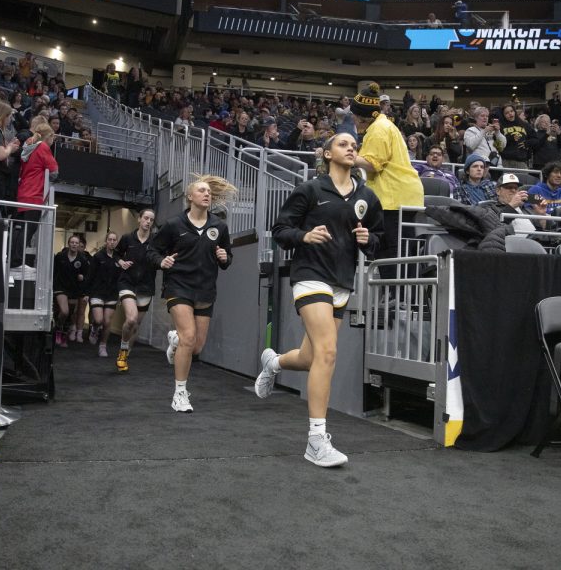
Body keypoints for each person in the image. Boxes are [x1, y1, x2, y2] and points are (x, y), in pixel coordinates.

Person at [254, 133, 384, 467]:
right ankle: (316, 440)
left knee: (313, 357)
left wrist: (369, 239)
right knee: (328, 351)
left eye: (354, 144)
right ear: (326, 154)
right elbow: (281, 230)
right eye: (343, 144)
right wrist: (304, 236)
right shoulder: (310, 190)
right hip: (310, 274)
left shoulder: (366, 196)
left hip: (342, 281)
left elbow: (378, 238)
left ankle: (275, 362)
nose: (351, 147)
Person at [148, 175, 236, 413]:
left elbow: (227, 257)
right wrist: (161, 261)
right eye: (201, 190)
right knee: (189, 337)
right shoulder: (174, 225)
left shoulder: (219, 227)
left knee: (196, 347)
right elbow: (153, 250)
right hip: (178, 286)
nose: (206, 194)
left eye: (209, 191)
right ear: (190, 197)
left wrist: (225, 258)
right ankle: (180, 393)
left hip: (205, 289)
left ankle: (175, 341)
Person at [351, 82, 423, 295]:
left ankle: (396, 298)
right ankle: (400, 298)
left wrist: (346, 156)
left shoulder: (378, 129)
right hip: (403, 195)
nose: (352, 119)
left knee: (390, 250)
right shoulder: (383, 125)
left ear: (363, 116)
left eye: (354, 115)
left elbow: (373, 163)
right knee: (400, 251)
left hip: (394, 197)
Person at [11, 124, 59, 274]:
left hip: (23, 192)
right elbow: (54, 171)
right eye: (52, 136)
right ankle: (16, 261)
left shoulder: (29, 146)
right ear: (48, 136)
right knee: (28, 229)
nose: (53, 139)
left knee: (19, 229)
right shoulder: (43, 147)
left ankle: (13, 259)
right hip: (34, 194)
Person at [114, 208, 157, 372]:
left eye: (151, 220)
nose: (148, 222)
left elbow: (160, 258)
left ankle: (126, 354)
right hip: (127, 283)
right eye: (146, 218)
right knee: (131, 319)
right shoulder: (127, 238)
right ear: (139, 219)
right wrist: (121, 263)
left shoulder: (155, 241)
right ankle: (123, 349)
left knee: (136, 325)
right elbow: (117, 254)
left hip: (146, 286)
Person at [87, 231, 122, 357]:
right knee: (99, 319)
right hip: (97, 292)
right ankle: (95, 328)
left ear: (116, 242)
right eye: (110, 240)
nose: (112, 242)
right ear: (106, 241)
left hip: (112, 294)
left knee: (107, 322)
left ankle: (103, 346)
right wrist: (87, 293)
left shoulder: (119, 258)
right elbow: (90, 276)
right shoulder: (98, 256)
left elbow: (121, 277)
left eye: (114, 240)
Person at [53, 235, 90, 347]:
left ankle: (64, 336)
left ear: (79, 245)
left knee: (69, 316)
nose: (74, 244)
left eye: (76, 243)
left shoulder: (82, 260)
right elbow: (54, 271)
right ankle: (58, 329)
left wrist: (83, 278)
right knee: (64, 311)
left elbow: (87, 276)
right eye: (72, 242)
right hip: (61, 287)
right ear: (69, 244)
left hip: (74, 290)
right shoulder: (60, 256)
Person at [498, 104, 531, 169]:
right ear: (503, 115)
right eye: (507, 113)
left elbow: (535, 139)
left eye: (511, 111)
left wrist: (527, 143)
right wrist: (511, 138)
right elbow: (497, 144)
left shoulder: (524, 124)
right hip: (506, 161)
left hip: (522, 161)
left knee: (523, 179)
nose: (510, 114)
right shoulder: (500, 126)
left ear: (514, 112)